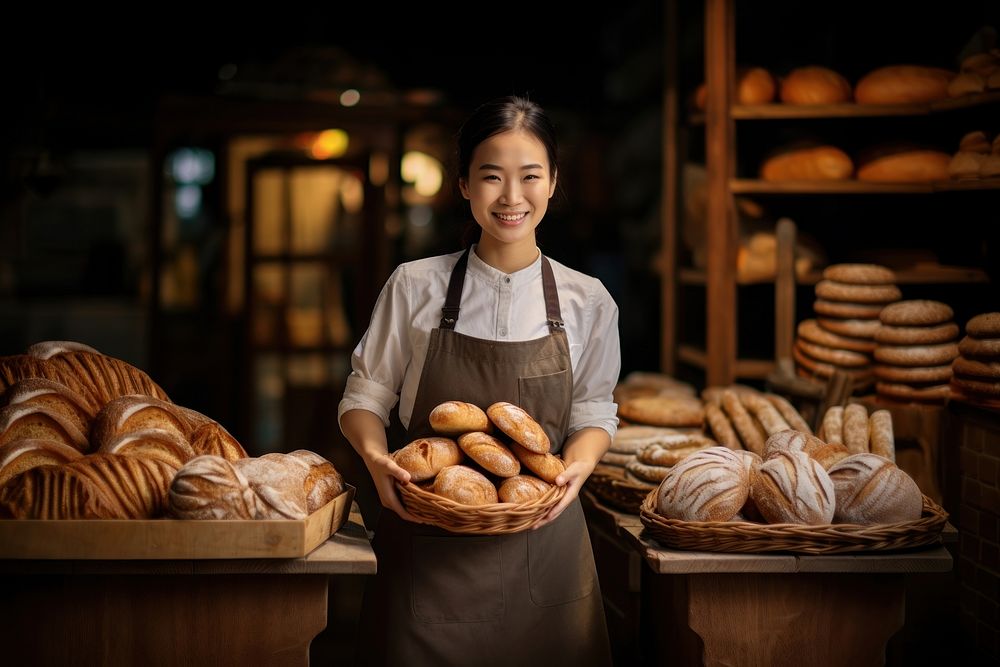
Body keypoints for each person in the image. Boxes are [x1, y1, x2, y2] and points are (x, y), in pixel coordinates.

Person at [338, 95, 620, 667]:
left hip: (545, 545)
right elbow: (364, 396)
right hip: (430, 548)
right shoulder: (415, 285)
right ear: (464, 184)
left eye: (530, 177)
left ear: (553, 182)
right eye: (492, 177)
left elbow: (594, 412)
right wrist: (375, 460)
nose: (512, 198)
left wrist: (577, 470)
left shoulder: (587, 300)